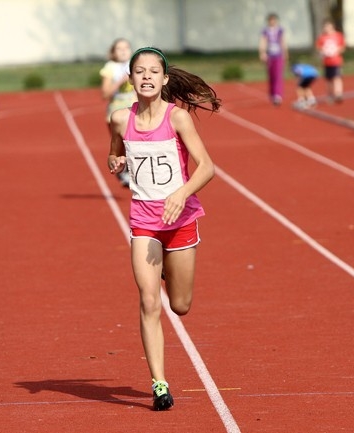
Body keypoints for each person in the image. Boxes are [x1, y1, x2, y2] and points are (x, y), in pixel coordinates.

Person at [107, 47, 219, 410]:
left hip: (180, 220)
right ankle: (159, 384)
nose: (147, 77)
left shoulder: (178, 119)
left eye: (154, 71)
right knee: (149, 300)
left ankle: (171, 272)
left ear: (165, 79)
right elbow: (113, 151)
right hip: (144, 224)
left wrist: (181, 193)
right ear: (131, 79)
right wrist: (116, 159)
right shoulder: (120, 119)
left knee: (181, 305)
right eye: (139, 71)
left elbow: (207, 167)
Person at [100, 38, 137, 187]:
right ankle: (122, 171)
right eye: (119, 48)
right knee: (120, 145)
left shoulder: (135, 65)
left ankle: (132, 171)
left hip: (133, 107)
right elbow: (105, 94)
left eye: (126, 47)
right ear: (113, 52)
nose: (123, 51)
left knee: (134, 142)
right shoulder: (110, 68)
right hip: (116, 109)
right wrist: (120, 82)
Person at [258, 12, 288, 106]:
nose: (272, 22)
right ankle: (272, 93)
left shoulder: (280, 30)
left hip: (278, 54)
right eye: (270, 20)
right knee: (271, 75)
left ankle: (277, 95)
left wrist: (285, 53)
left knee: (278, 75)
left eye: (273, 20)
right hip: (270, 55)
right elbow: (263, 41)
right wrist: (262, 53)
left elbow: (283, 41)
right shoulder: (265, 31)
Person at [315, 18, 345, 103]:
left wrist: (335, 51)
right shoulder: (322, 37)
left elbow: (342, 47)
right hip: (327, 61)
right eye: (325, 27)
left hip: (336, 61)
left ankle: (338, 94)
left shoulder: (338, 36)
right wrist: (323, 52)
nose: (327, 28)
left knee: (337, 77)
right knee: (329, 79)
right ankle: (330, 95)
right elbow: (318, 48)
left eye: (328, 26)